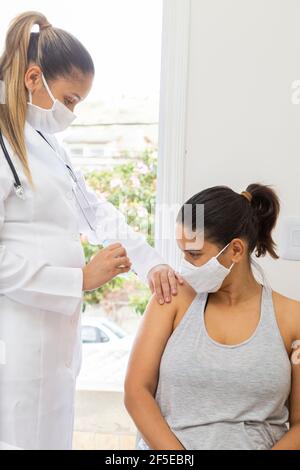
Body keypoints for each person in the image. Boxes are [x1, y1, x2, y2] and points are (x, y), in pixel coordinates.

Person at [0, 11, 184, 450]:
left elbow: (95, 211)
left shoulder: (47, 143)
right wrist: (79, 280)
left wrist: (151, 262)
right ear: (32, 78)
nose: (72, 112)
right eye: (70, 99)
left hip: (54, 342)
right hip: (16, 342)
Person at [124, 184, 300, 450]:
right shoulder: (171, 299)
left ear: (236, 251)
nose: (184, 265)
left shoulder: (292, 317)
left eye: (194, 254)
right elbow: (136, 391)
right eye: (182, 252)